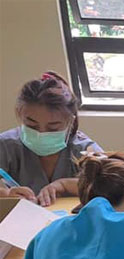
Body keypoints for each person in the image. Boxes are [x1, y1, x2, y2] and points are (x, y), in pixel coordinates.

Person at [0, 72, 102, 206]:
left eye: (53, 128)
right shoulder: (6, 146)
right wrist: (6, 195)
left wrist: (63, 185)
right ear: (20, 114)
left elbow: (113, 184)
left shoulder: (83, 148)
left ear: (70, 122)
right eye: (32, 125)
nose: (41, 133)